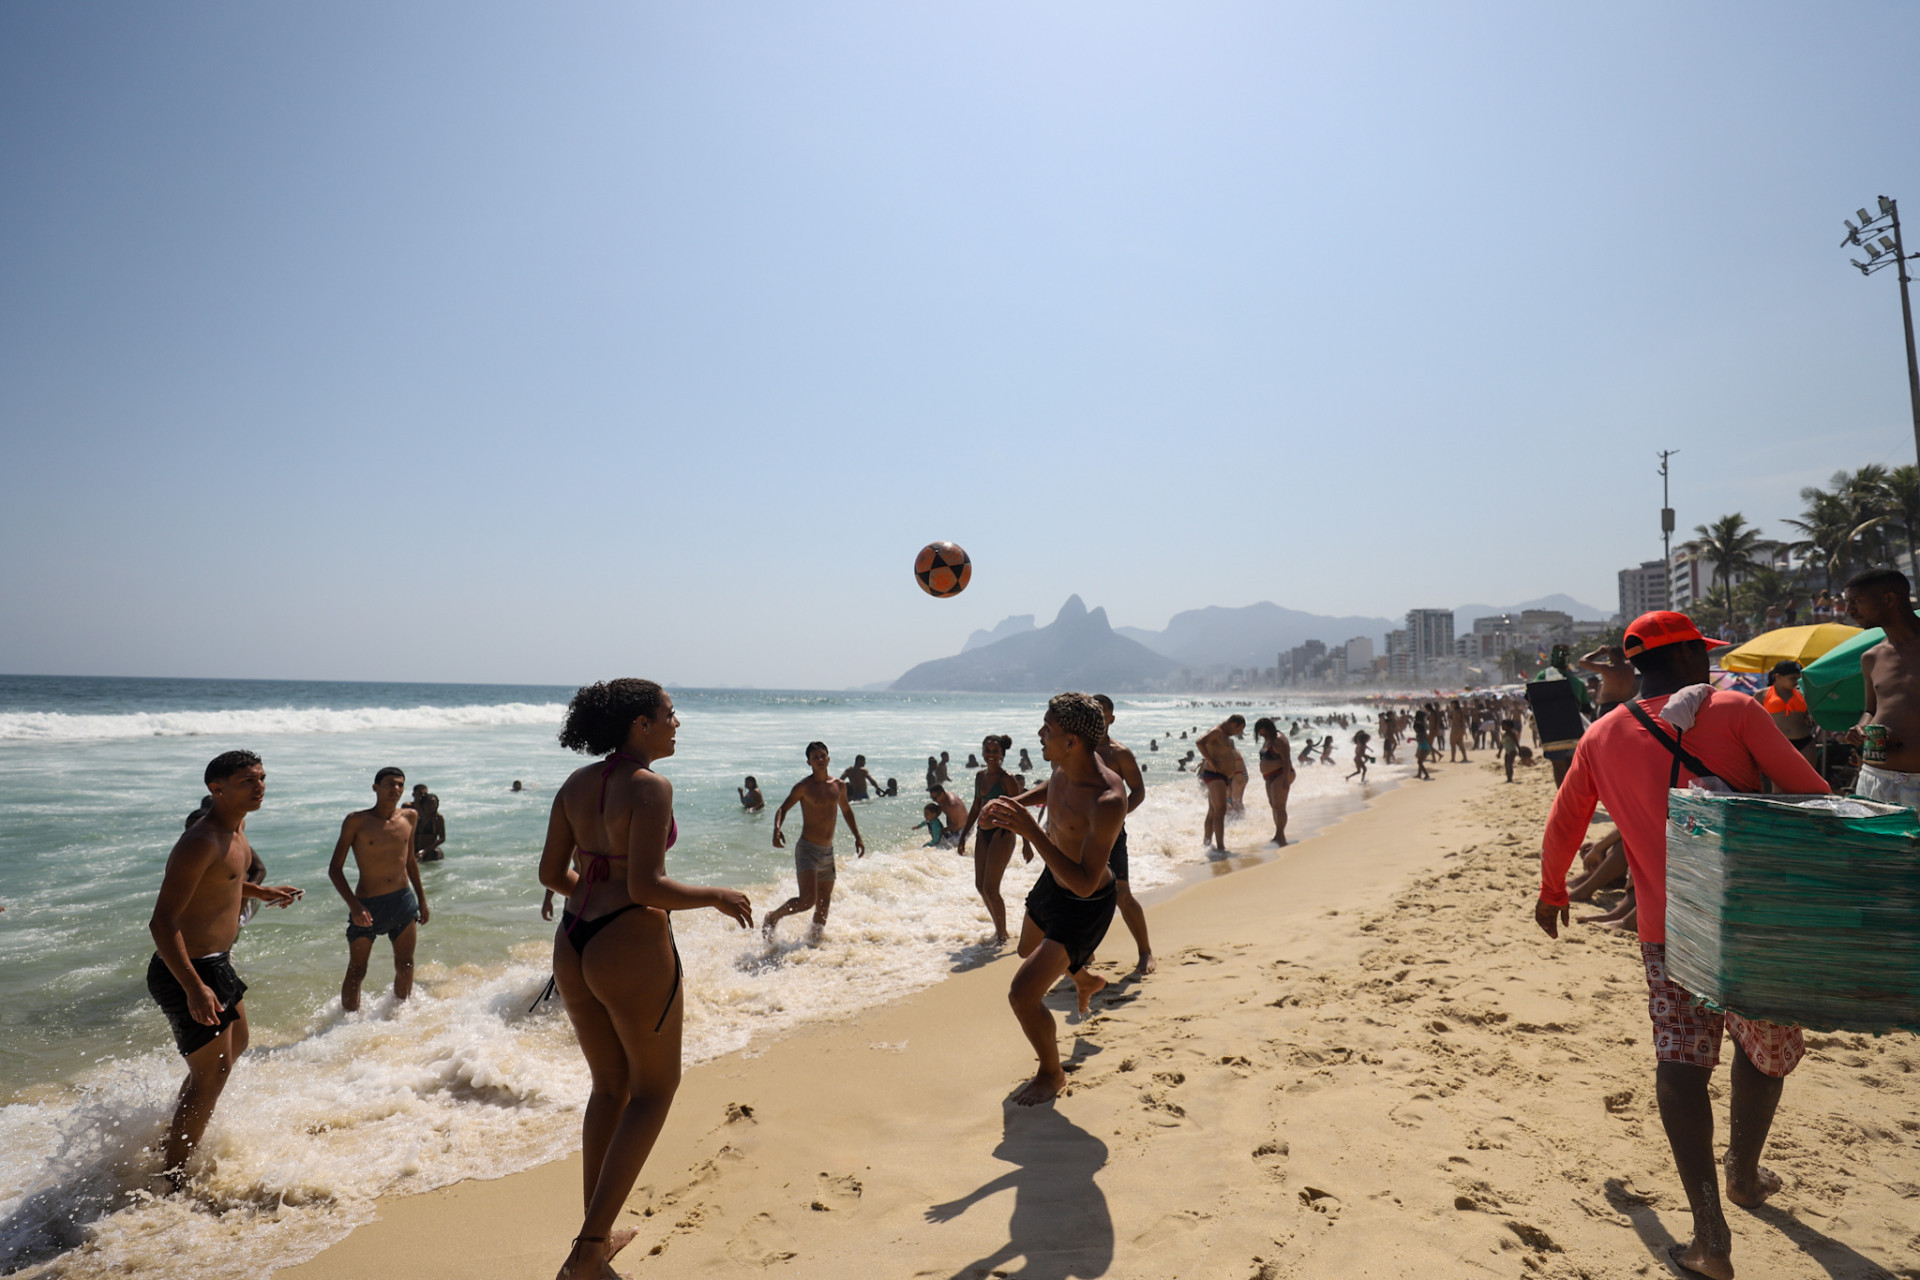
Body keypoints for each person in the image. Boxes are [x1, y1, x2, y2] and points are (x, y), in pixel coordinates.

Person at [1534, 611, 1829, 1280]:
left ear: (1638, 666)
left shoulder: (1601, 734)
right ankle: (1744, 1174)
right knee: (1763, 1046)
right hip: (1751, 921)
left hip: (1669, 930)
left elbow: (1565, 820)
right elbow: (1813, 796)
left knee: (1681, 1060)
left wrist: (1553, 892)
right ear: (1692, 656)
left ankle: (1709, 1238)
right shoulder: (1735, 710)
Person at [538, 679, 753, 1280]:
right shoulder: (650, 786)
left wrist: (595, 903)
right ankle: (588, 1252)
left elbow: (552, 873)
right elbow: (646, 886)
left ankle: (596, 1236)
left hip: (574, 941)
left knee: (609, 1089)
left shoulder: (575, 784)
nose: (676, 723)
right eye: (669, 714)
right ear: (641, 724)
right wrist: (714, 895)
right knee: (654, 1092)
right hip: (628, 941)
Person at [147, 751, 301, 1191]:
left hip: (217, 963)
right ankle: (172, 1181)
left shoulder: (238, 830)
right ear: (217, 788)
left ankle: (172, 1140)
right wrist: (193, 987)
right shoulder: (200, 840)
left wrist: (259, 891)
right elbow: (162, 923)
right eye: (247, 781)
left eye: (262, 778)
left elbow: (224, 881)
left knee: (232, 1052)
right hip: (188, 970)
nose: (260, 787)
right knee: (210, 1075)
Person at [979, 694, 1125, 1106]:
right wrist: (1012, 804)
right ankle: (1085, 979)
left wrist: (1030, 831)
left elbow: (1084, 884)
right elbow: (1053, 789)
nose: (1040, 733)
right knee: (1027, 949)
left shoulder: (1108, 800)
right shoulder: (1064, 767)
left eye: (1049, 728)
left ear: (1072, 741)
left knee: (1022, 994)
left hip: (1084, 904)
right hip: (1053, 882)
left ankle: (1051, 1072)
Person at [327, 767, 427, 1013]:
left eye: (400, 784)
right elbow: (335, 870)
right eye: (390, 784)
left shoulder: (410, 817)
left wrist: (422, 901)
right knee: (357, 970)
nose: (396, 789)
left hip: (402, 901)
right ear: (376, 787)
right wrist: (355, 907)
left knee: (405, 965)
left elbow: (410, 862)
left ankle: (399, 1016)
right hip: (367, 905)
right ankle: (346, 1024)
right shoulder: (356, 821)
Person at [764, 743, 867, 939]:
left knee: (823, 904)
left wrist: (858, 837)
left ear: (828, 758)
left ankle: (813, 943)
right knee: (807, 901)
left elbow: (847, 811)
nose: (820, 760)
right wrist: (777, 829)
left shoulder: (839, 786)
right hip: (807, 850)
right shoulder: (804, 787)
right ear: (809, 762)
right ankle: (772, 917)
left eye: (822, 756)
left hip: (827, 851)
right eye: (815, 757)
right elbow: (783, 808)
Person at [1843, 568, 1920, 805]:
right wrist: (1861, 727)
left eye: (1856, 601)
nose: (1849, 610)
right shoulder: (1871, 657)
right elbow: (1872, 709)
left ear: (1889, 599)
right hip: (1875, 778)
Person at [1092, 695, 1154, 974]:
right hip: (1080, 833)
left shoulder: (1120, 753)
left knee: (1122, 894)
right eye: (1093, 712)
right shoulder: (1075, 749)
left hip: (1112, 832)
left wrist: (1119, 814)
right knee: (1078, 892)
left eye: (1102, 713)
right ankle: (1085, 953)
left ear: (1112, 718)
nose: (1098, 718)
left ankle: (1145, 952)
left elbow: (1138, 791)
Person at [956, 735, 1027, 945]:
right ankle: (999, 930)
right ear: (983, 752)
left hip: (1002, 833)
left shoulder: (1007, 779)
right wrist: (963, 835)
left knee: (991, 888)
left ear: (1002, 754)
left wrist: (1027, 843)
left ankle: (1002, 935)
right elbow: (976, 806)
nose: (991, 755)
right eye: (987, 751)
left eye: (995, 751)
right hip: (982, 832)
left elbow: (1019, 810)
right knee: (980, 885)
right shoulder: (980, 776)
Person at [1194, 714, 1244, 851]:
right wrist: (1210, 761)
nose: (1238, 733)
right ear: (1233, 724)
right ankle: (1220, 847)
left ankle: (1207, 844)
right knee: (1220, 810)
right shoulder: (1217, 732)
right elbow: (1199, 742)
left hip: (1223, 776)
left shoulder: (1226, 736)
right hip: (1214, 775)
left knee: (1213, 811)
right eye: (1239, 730)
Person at [1760, 661, 1815, 764]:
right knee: (1778, 774)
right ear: (1778, 676)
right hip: (1775, 743)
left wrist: (1812, 720)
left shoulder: (1803, 694)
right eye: (1793, 678)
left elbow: (1811, 717)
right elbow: (1754, 721)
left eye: (1799, 678)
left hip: (1804, 741)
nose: (1796, 682)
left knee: (1806, 774)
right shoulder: (1762, 695)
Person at [1253, 717, 1294, 845]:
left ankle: (1281, 835)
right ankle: (1278, 833)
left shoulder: (1278, 740)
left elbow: (1287, 760)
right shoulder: (1268, 740)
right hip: (1270, 776)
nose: (1259, 733)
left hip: (1281, 774)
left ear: (1265, 728)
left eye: (1259, 730)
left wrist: (1286, 780)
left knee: (1279, 806)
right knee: (1273, 805)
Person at [405, 785, 447, 862]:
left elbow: (442, 838)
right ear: (423, 805)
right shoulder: (417, 815)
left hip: (430, 852)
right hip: (414, 850)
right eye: (429, 804)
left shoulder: (437, 818)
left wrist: (425, 851)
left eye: (435, 804)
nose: (433, 806)